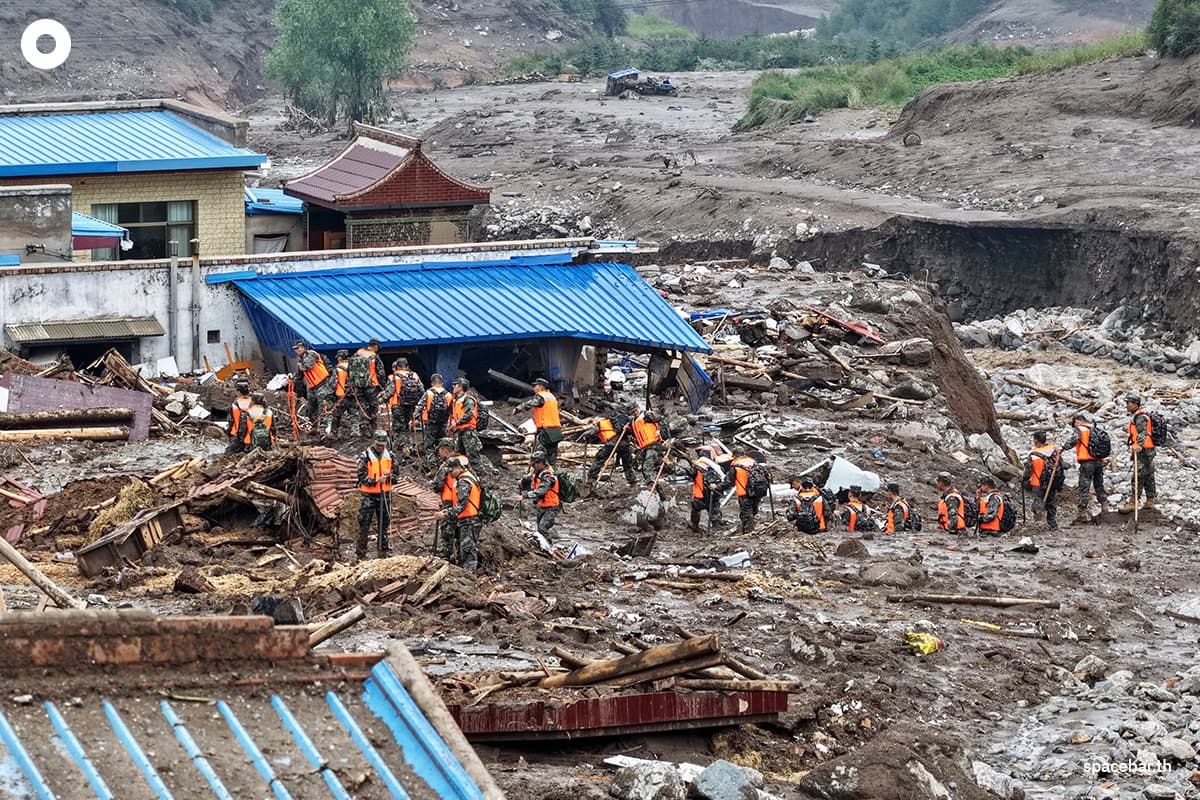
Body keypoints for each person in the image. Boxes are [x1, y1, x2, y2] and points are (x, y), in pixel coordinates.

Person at [356, 430, 397, 560]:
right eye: (378, 445)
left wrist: (390, 477)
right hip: (368, 495)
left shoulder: (390, 456)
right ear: (374, 442)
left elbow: (396, 477)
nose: (380, 447)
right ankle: (361, 554)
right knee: (364, 524)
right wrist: (375, 481)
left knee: (384, 524)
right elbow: (361, 477)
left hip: (385, 494)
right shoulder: (365, 456)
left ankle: (382, 553)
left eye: (382, 445)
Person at [1064, 411, 1109, 522]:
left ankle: (1082, 513)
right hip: (1099, 461)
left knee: (1084, 486)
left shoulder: (1081, 429)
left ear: (1078, 421)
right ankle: (1105, 507)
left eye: (1074, 423)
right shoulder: (1097, 429)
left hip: (1087, 462)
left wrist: (1063, 448)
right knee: (1099, 484)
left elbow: (1073, 441)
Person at [440, 455, 483, 572]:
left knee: (468, 550)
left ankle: (469, 576)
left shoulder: (464, 481)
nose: (450, 474)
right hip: (468, 519)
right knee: (464, 549)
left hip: (469, 520)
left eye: (451, 471)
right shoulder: (467, 477)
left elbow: (461, 506)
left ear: (458, 468)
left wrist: (445, 514)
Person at [1122, 392, 1156, 512]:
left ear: (1136, 404)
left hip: (1143, 450)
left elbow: (1142, 433)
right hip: (1148, 449)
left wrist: (1139, 445)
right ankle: (1150, 500)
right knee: (1148, 474)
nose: (1126, 406)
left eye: (1128, 403)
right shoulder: (1140, 415)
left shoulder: (1140, 417)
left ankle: (1133, 502)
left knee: (1138, 474)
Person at [448, 378, 490, 475]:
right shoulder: (457, 400)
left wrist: (457, 423)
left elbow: (469, 414)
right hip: (461, 431)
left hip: (468, 432)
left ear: (461, 387)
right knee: (460, 456)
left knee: (473, 458)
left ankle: (484, 481)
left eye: (456, 385)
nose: (454, 387)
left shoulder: (468, 400)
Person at [520, 450, 560, 548]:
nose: (533, 466)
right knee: (539, 528)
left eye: (534, 464)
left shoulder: (549, 476)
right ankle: (542, 546)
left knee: (542, 528)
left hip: (552, 506)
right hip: (542, 505)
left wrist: (525, 496)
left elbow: (541, 490)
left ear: (541, 463)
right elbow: (529, 477)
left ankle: (549, 547)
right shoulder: (537, 471)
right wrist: (522, 481)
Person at [1024, 431, 1063, 530]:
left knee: (1038, 502)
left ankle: (1039, 523)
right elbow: (1062, 464)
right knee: (1051, 502)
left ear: (1036, 440)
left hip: (1038, 482)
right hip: (1052, 481)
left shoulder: (1034, 455)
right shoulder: (1054, 451)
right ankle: (1052, 523)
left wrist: (1024, 479)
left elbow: (1028, 471)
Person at [586, 409, 636, 486]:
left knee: (599, 458)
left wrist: (585, 436)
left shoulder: (600, 423)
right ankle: (632, 480)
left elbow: (591, 432)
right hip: (624, 444)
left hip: (611, 443)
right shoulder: (614, 422)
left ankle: (591, 478)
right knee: (627, 462)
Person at [520, 377, 563, 466]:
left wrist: (520, 407)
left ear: (541, 387)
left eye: (535, 386)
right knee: (552, 457)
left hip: (546, 431)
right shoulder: (551, 397)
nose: (534, 388)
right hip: (555, 431)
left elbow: (532, 403)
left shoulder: (541, 396)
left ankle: (539, 475)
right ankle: (552, 475)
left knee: (539, 455)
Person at [347, 339, 386, 436]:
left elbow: (349, 369)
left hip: (358, 386)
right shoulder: (374, 356)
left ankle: (363, 427)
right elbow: (381, 373)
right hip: (371, 386)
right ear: (375, 346)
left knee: (362, 406)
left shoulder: (357, 353)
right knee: (374, 406)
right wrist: (383, 386)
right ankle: (373, 427)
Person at [414, 373, 453, 471]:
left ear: (432, 383)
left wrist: (416, 419)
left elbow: (419, 407)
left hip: (431, 423)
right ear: (442, 383)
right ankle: (444, 465)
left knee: (429, 446)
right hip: (443, 424)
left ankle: (433, 466)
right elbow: (452, 410)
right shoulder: (448, 395)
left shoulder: (429, 393)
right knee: (443, 445)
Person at [386, 358, 424, 454]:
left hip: (398, 405)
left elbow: (390, 391)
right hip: (411, 405)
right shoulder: (415, 375)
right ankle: (410, 445)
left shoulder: (394, 376)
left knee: (399, 427)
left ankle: (404, 447)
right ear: (407, 366)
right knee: (408, 426)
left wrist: (383, 399)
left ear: (397, 366)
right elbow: (422, 390)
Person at [687, 445, 728, 533]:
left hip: (700, 495)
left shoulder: (696, 467)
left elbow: (682, 472)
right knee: (715, 513)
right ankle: (717, 529)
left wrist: (670, 464)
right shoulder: (718, 468)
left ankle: (695, 526)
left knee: (695, 510)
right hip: (713, 495)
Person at [292, 339, 333, 427]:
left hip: (322, 384)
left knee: (322, 407)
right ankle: (312, 426)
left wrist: (299, 364)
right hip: (312, 387)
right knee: (311, 407)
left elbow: (306, 366)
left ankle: (324, 428)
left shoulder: (311, 354)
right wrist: (292, 381)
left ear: (303, 348)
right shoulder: (301, 359)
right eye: (295, 349)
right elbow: (299, 375)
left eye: (299, 348)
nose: (297, 350)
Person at [729, 452, 766, 533]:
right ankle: (751, 526)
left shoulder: (735, 465)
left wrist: (717, 488)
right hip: (757, 490)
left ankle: (748, 532)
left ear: (735, 456)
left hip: (745, 493)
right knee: (753, 510)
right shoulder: (753, 461)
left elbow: (728, 481)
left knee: (746, 513)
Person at [631, 408, 666, 485]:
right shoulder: (634, 421)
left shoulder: (647, 415)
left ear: (638, 409)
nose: (634, 413)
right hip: (644, 446)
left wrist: (659, 430)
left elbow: (662, 419)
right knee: (657, 463)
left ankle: (651, 483)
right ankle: (656, 480)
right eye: (632, 412)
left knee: (647, 465)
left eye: (635, 411)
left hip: (654, 443)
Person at [327, 350, 354, 437]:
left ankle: (333, 434)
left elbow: (333, 384)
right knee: (354, 417)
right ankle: (355, 435)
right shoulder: (355, 366)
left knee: (336, 415)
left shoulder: (338, 368)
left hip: (342, 396)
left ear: (340, 357)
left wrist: (328, 397)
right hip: (354, 396)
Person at [227, 379, 253, 454]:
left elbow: (231, 421)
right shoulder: (254, 402)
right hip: (252, 436)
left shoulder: (235, 404)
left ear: (238, 392)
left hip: (237, 436)